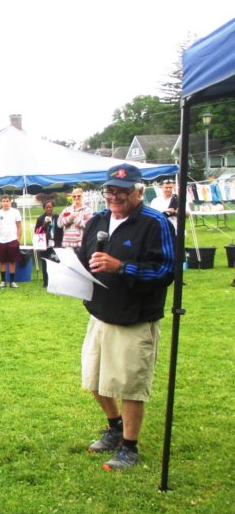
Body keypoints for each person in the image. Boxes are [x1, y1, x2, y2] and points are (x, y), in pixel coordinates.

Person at [78, 163, 175, 471]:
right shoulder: (97, 220)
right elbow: (84, 257)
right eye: (110, 190)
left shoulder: (155, 223)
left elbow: (166, 271)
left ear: (139, 192)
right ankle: (114, 426)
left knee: (130, 385)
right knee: (94, 379)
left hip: (136, 318)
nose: (114, 197)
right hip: (100, 314)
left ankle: (129, 447)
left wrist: (121, 266)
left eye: (122, 191)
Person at [0, 195, 22, 288]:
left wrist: (18, 239)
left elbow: (19, 227)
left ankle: (12, 281)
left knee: (12, 261)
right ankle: (3, 281)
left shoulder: (15, 212)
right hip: (1, 241)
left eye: (7, 201)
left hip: (12, 240)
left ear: (10, 202)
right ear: (1, 202)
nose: (5, 203)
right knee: (2, 262)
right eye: (3, 201)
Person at [34, 199, 63, 288]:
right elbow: (36, 232)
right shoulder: (40, 219)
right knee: (45, 263)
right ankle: (46, 282)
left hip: (56, 243)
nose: (49, 209)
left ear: (53, 207)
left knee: (56, 263)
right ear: (44, 209)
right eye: (47, 207)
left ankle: (56, 281)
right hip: (44, 244)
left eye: (50, 207)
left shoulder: (57, 217)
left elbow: (61, 230)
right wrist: (44, 226)